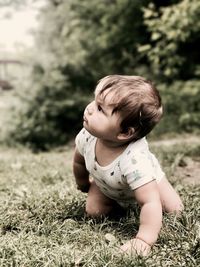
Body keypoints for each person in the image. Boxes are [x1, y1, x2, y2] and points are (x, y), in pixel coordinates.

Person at [73, 75, 183, 256]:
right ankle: (116, 203)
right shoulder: (87, 136)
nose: (90, 109)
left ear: (125, 132)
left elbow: (149, 202)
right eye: (95, 101)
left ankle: (160, 199)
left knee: (175, 210)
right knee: (94, 212)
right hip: (106, 184)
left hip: (148, 183)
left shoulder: (135, 161)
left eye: (100, 109)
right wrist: (83, 184)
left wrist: (143, 239)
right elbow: (78, 161)